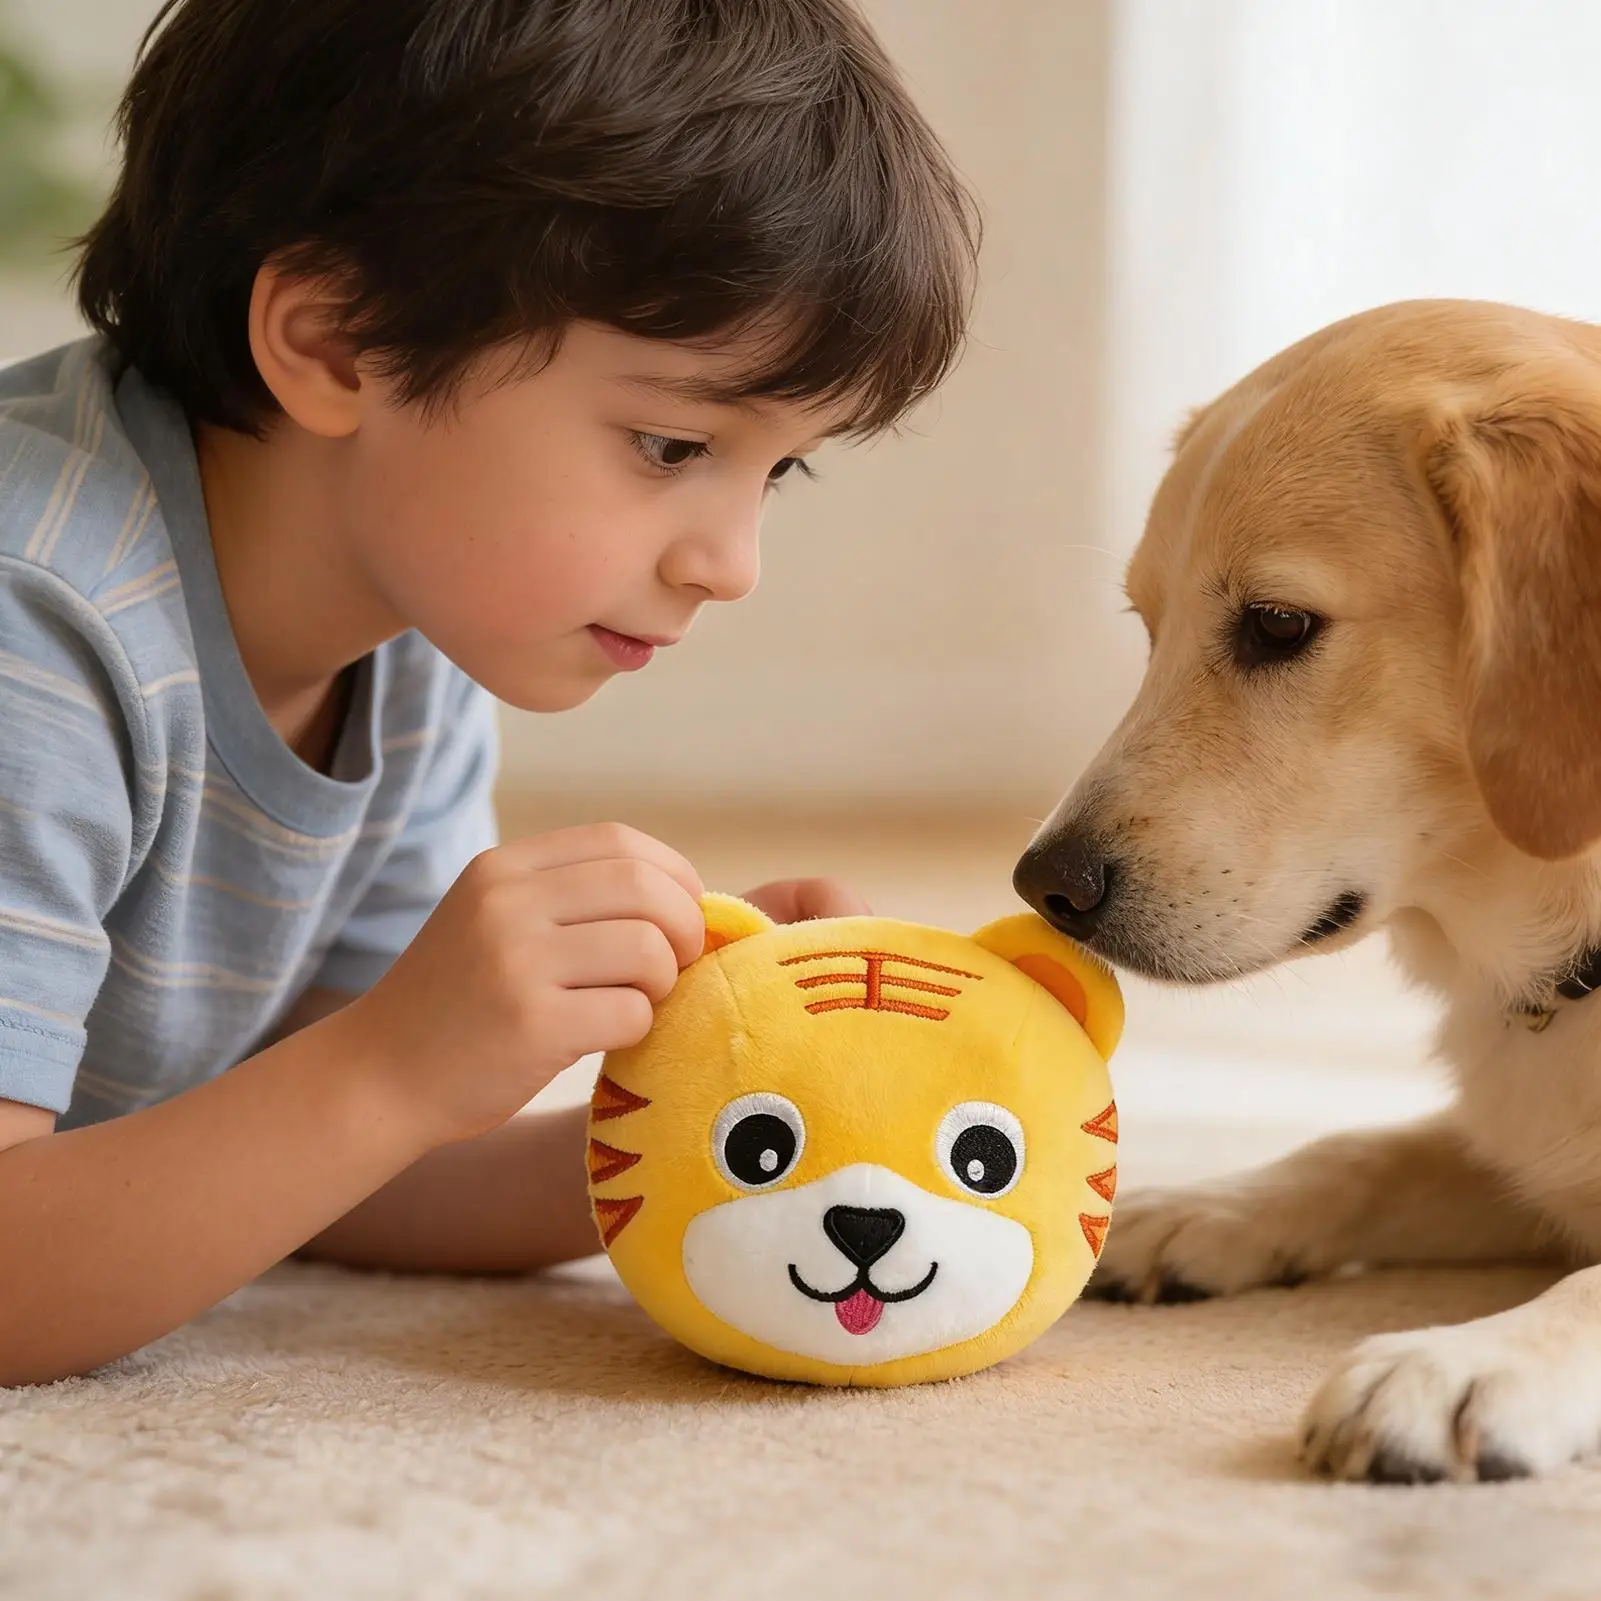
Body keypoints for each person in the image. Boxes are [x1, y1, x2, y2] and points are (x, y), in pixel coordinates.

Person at [0, 0, 977, 1384]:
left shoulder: (406, 629)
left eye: (781, 469)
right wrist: (393, 1062)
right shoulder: (34, 621)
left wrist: (744, 1128)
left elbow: (338, 1168)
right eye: (671, 442)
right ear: (339, 343)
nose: (732, 564)